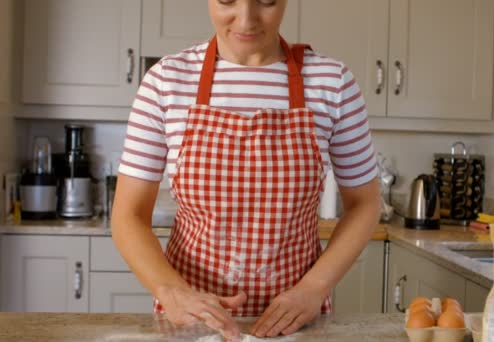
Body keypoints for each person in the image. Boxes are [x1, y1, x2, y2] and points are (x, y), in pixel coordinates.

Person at [111, 0, 380, 340]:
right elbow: (127, 216)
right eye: (227, 0)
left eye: (265, 1)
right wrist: (173, 294)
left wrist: (314, 287)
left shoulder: (332, 82)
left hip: (295, 322)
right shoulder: (166, 81)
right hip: (192, 322)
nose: (247, 19)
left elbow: (365, 204)